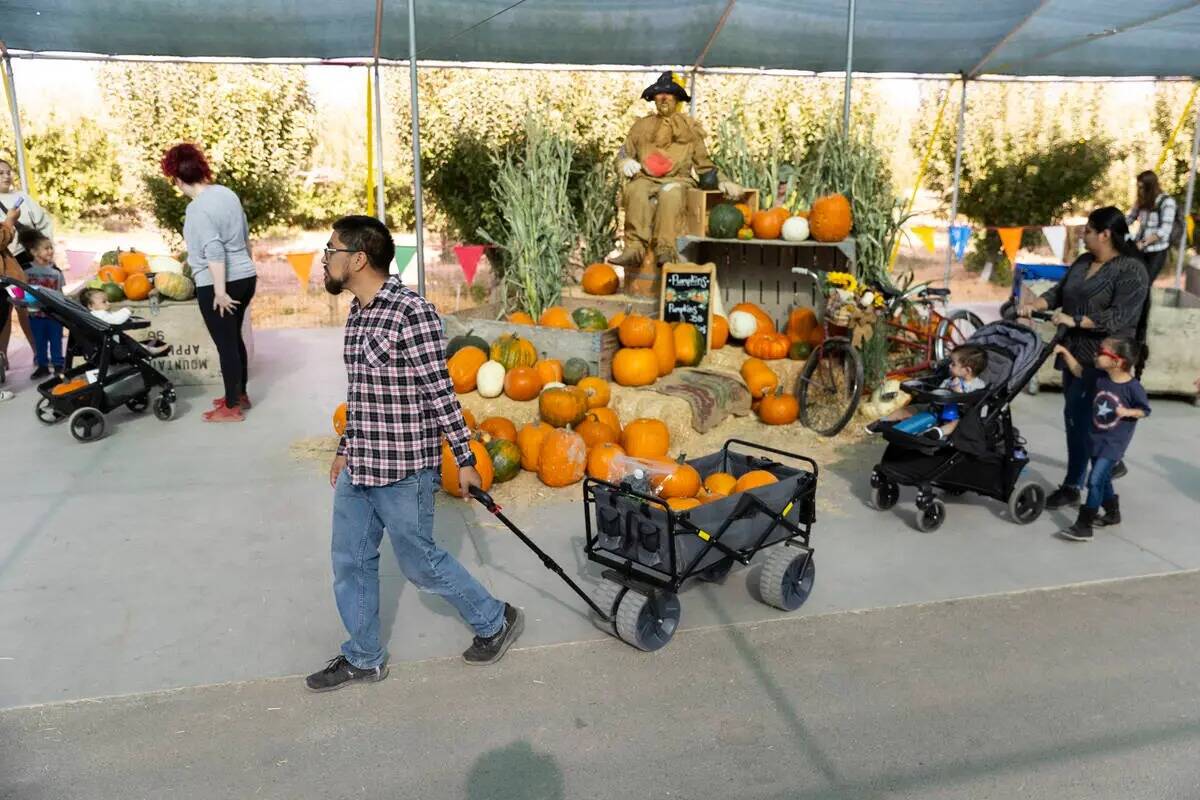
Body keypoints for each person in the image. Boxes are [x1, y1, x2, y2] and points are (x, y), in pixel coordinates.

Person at [306, 215, 522, 693]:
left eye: (331, 249)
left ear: (357, 259)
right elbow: (360, 391)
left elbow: (440, 392)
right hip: (361, 466)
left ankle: (494, 620)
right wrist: (345, 447)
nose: (326, 258)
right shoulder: (359, 312)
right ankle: (363, 657)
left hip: (403, 471)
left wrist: (464, 459)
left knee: (420, 564)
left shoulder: (412, 313)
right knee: (350, 560)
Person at [1019, 207, 1148, 509]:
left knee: (1094, 424)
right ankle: (1075, 483)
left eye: (1088, 230)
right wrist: (1035, 303)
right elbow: (1059, 292)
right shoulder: (1083, 262)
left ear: (1105, 234)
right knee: (1075, 418)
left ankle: (1102, 485)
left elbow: (1119, 316)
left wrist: (1075, 321)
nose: (1083, 234)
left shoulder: (1131, 270)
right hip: (1074, 351)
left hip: (1104, 359)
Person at [160, 143, 256, 422]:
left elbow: (213, 250)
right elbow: (245, 234)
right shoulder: (227, 194)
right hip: (245, 276)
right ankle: (238, 395)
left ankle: (231, 408)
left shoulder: (197, 209)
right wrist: (246, 270)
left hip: (219, 284)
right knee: (234, 337)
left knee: (225, 344)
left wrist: (220, 291)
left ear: (176, 179)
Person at [608, 72, 744, 268]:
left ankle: (665, 249)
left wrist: (723, 180)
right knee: (635, 190)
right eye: (659, 94)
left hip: (678, 179)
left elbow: (704, 164)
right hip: (645, 178)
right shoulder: (641, 126)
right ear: (653, 98)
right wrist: (625, 161)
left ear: (677, 98)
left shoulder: (690, 129)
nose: (663, 98)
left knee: (670, 193)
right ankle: (634, 248)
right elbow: (623, 154)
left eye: (669, 94)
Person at [1053, 337, 1150, 542]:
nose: (1096, 355)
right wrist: (1064, 352)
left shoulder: (1133, 387)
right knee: (1103, 479)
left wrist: (1127, 411)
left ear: (1117, 361)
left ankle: (1084, 525)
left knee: (1094, 480)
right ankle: (1113, 513)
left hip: (1114, 442)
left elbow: (1144, 410)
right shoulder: (1099, 377)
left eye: (1101, 352)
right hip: (1095, 437)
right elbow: (1078, 370)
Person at [872, 345, 988, 440]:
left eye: (953, 364)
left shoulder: (978, 386)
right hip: (937, 408)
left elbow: (980, 408)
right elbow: (939, 392)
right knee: (914, 408)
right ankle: (882, 421)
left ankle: (938, 432)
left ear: (967, 370)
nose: (949, 366)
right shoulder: (950, 380)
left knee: (958, 423)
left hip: (956, 415)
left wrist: (958, 394)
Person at [1126, 170, 1177, 378]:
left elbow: (1164, 230)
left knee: (1144, 284)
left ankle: (1141, 332)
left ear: (1150, 186)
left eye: (1141, 187)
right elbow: (1128, 219)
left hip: (1156, 250)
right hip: (1140, 248)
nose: (1139, 191)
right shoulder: (1142, 203)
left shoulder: (1166, 202)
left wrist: (1145, 242)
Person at [19, 230, 65, 379]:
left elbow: (60, 292)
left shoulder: (56, 271)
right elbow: (19, 288)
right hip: (35, 314)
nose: (50, 251)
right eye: (46, 248)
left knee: (56, 340)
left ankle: (59, 365)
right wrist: (20, 302)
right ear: (33, 251)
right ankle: (42, 366)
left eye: (51, 247)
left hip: (54, 315)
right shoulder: (25, 270)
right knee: (40, 341)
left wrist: (63, 310)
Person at [78, 287, 171, 356]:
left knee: (124, 337)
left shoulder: (93, 315)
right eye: (104, 302)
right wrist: (127, 310)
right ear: (90, 306)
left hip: (107, 343)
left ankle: (146, 348)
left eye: (108, 300)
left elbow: (112, 317)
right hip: (112, 348)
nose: (109, 303)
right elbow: (116, 320)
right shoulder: (99, 314)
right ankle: (147, 351)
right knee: (127, 341)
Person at [0, 202, 36, 376]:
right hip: (6, 278)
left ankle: (38, 353)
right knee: (3, 318)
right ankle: (3, 357)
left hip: (11, 277)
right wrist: (9, 221)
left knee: (22, 308)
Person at [0, 158, 55, 268]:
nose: (6, 176)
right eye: (0, 173)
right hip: (9, 264)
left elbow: (44, 223)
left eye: (8, 172)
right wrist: (10, 221)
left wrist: (44, 249)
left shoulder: (22, 196)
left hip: (35, 258)